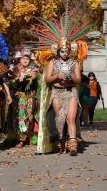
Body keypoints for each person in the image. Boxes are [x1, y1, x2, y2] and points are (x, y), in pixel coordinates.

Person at [31, 10, 90, 156]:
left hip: (71, 92)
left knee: (70, 118)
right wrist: (57, 75)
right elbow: (47, 79)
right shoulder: (52, 62)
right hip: (57, 93)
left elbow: (78, 79)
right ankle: (61, 141)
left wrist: (70, 77)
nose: (64, 53)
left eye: (66, 51)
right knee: (60, 120)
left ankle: (73, 144)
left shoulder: (74, 62)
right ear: (58, 51)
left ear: (70, 50)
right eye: (62, 51)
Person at [9, 49, 39, 148]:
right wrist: (17, 78)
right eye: (23, 58)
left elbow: (34, 76)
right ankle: (21, 139)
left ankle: (30, 137)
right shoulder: (15, 69)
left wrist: (25, 75)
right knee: (21, 117)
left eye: (27, 58)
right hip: (21, 97)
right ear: (19, 59)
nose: (25, 60)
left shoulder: (33, 68)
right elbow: (12, 80)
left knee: (30, 116)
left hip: (31, 96)